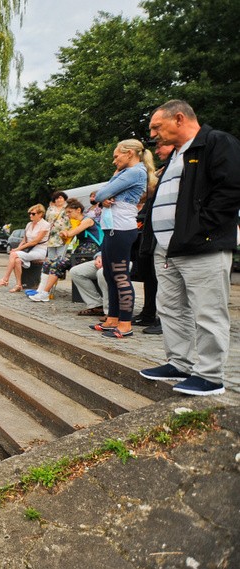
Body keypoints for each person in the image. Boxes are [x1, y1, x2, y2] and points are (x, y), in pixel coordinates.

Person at [139, 100, 240, 396]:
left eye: (157, 127)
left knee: (208, 311)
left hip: (201, 245)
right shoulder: (175, 156)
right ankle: (179, 362)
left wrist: (200, 228)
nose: (153, 134)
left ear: (179, 118)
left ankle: (210, 375)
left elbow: (232, 188)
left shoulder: (216, 143)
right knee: (170, 308)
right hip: (168, 247)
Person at [91, 138, 155, 339]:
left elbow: (101, 193)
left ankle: (125, 323)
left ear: (129, 153)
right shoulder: (125, 172)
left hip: (121, 228)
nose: (113, 161)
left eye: (116, 156)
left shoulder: (135, 171)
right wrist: (104, 199)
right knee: (109, 275)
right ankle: (112, 318)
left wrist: (104, 197)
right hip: (111, 228)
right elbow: (101, 197)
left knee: (120, 275)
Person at [131, 141, 174, 335]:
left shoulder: (160, 175)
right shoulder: (158, 175)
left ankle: (164, 319)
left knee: (163, 278)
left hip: (162, 230)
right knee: (149, 275)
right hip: (148, 226)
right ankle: (148, 312)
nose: (158, 151)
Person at [29, 198, 102, 302]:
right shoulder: (76, 222)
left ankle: (44, 293)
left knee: (57, 264)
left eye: (69, 212)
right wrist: (64, 234)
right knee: (48, 262)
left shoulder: (88, 220)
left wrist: (65, 233)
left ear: (78, 210)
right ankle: (41, 291)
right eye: (66, 212)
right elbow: (66, 240)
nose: (68, 215)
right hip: (80, 251)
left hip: (91, 251)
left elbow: (71, 233)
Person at [0, 204, 50, 292]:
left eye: (33, 214)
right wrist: (18, 248)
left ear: (40, 214)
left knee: (14, 254)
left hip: (40, 250)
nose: (30, 215)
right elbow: (24, 240)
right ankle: (18, 285)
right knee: (17, 260)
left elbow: (34, 242)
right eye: (30, 213)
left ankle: (5, 279)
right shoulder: (29, 224)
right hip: (29, 250)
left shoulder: (45, 225)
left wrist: (17, 250)